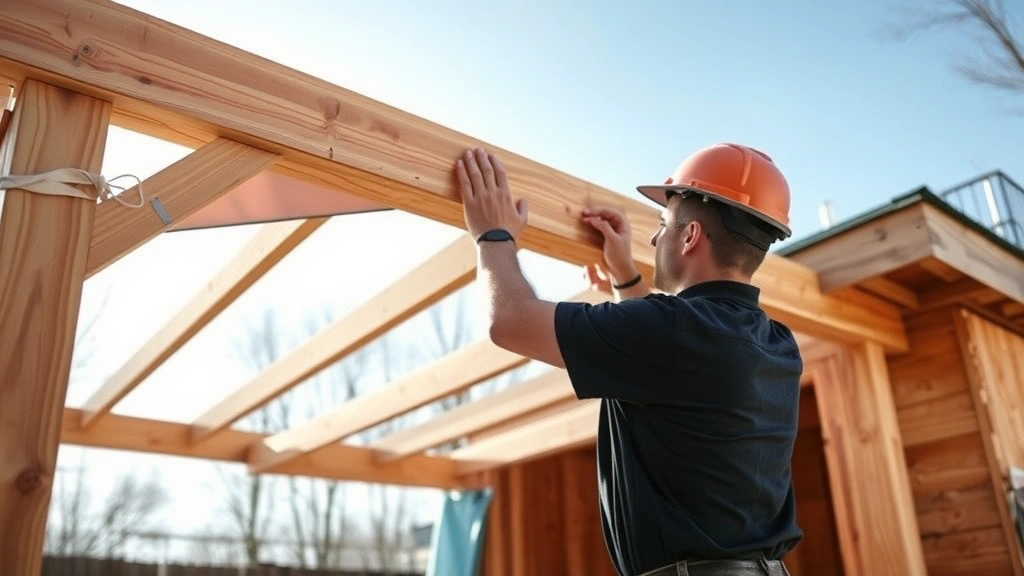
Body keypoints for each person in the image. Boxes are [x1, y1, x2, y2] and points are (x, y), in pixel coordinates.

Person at [453, 143, 803, 576]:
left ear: (691, 235)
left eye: (663, 224)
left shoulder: (672, 332)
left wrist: (493, 235)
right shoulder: (778, 344)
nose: (655, 238)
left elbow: (509, 321)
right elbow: (672, 363)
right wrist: (626, 278)